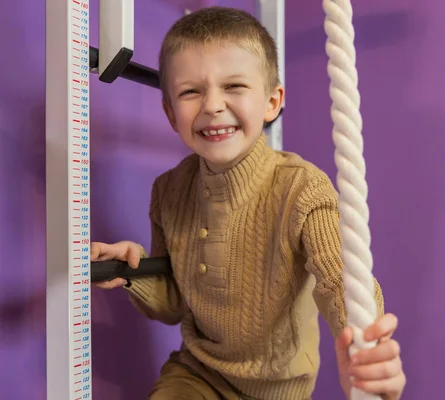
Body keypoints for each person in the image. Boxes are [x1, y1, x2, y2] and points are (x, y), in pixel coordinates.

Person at [91, 6, 405, 400]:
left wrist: (363, 342)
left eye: (234, 86)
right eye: (191, 91)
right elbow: (172, 304)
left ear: (272, 102)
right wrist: (131, 270)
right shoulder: (168, 190)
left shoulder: (302, 188)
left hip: (278, 388)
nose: (212, 105)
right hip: (197, 372)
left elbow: (338, 278)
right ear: (171, 113)